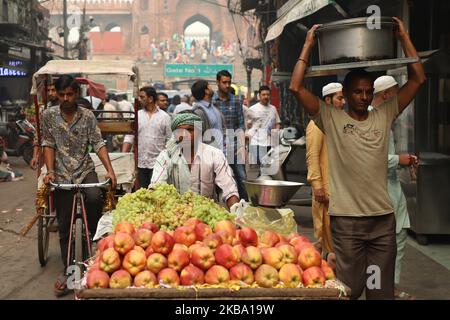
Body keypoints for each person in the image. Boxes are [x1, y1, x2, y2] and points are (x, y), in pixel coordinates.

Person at [289, 17, 425, 299]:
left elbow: (418, 79)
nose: (363, 97)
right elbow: (296, 88)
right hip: (347, 223)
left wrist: (403, 36)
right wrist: (307, 45)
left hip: (382, 222)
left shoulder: (384, 113)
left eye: (368, 92)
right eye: (357, 92)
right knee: (349, 290)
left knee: (379, 291)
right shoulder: (330, 117)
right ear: (346, 94)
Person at [41, 75, 117, 296]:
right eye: (62, 94)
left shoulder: (87, 116)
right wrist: (50, 171)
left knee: (94, 197)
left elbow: (98, 143)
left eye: (70, 94)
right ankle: (69, 272)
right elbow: (48, 144)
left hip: (85, 170)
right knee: (64, 227)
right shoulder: (48, 115)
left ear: (77, 94)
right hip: (62, 174)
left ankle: (94, 244)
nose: (65, 98)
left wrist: (110, 171)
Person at [372, 75, 418, 300]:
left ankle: (390, 286)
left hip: (392, 187)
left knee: (399, 236)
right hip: (378, 190)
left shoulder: (386, 118)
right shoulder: (371, 118)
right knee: (381, 243)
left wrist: (404, 160)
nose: (399, 98)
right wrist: (399, 160)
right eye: (396, 93)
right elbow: (370, 158)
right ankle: (377, 286)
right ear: (386, 94)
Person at [151, 113, 239, 209]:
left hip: (208, 212)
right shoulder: (166, 156)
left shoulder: (215, 154)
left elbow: (229, 188)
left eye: (190, 130)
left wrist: (235, 209)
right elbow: (156, 185)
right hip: (176, 213)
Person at [306, 83, 345, 265]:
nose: (343, 102)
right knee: (328, 242)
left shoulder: (339, 121)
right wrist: (317, 185)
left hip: (340, 190)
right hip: (326, 191)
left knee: (337, 240)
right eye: (339, 98)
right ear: (328, 100)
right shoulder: (317, 123)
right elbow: (312, 156)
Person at [122, 86, 171, 189]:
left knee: (156, 192)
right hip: (140, 163)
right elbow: (129, 137)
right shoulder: (136, 116)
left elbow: (169, 139)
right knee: (141, 192)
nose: (140, 100)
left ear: (150, 99)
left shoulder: (165, 117)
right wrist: (123, 156)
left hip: (159, 163)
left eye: (142, 97)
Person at [213, 70, 248, 200]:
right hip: (216, 147)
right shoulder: (212, 101)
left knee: (241, 177)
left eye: (229, 82)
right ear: (218, 82)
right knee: (216, 178)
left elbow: (240, 124)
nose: (227, 85)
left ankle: (244, 206)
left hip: (234, 146)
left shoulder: (237, 101)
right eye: (224, 82)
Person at [247, 85, 282, 166]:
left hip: (269, 143)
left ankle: (263, 177)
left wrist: (275, 132)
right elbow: (247, 125)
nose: (266, 96)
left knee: (266, 165)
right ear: (259, 96)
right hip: (256, 143)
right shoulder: (252, 109)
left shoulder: (273, 108)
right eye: (263, 95)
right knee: (262, 164)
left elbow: (278, 123)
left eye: (268, 94)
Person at [30, 82, 59, 169]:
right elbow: (38, 133)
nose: (50, 93)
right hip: (46, 151)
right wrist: (35, 156)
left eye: (53, 90)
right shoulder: (43, 110)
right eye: (48, 90)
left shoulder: (66, 108)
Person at [191, 80, 226, 152]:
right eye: (209, 85)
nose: (211, 87)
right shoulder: (198, 112)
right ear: (206, 91)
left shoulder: (214, 107)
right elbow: (197, 137)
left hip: (221, 153)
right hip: (210, 155)